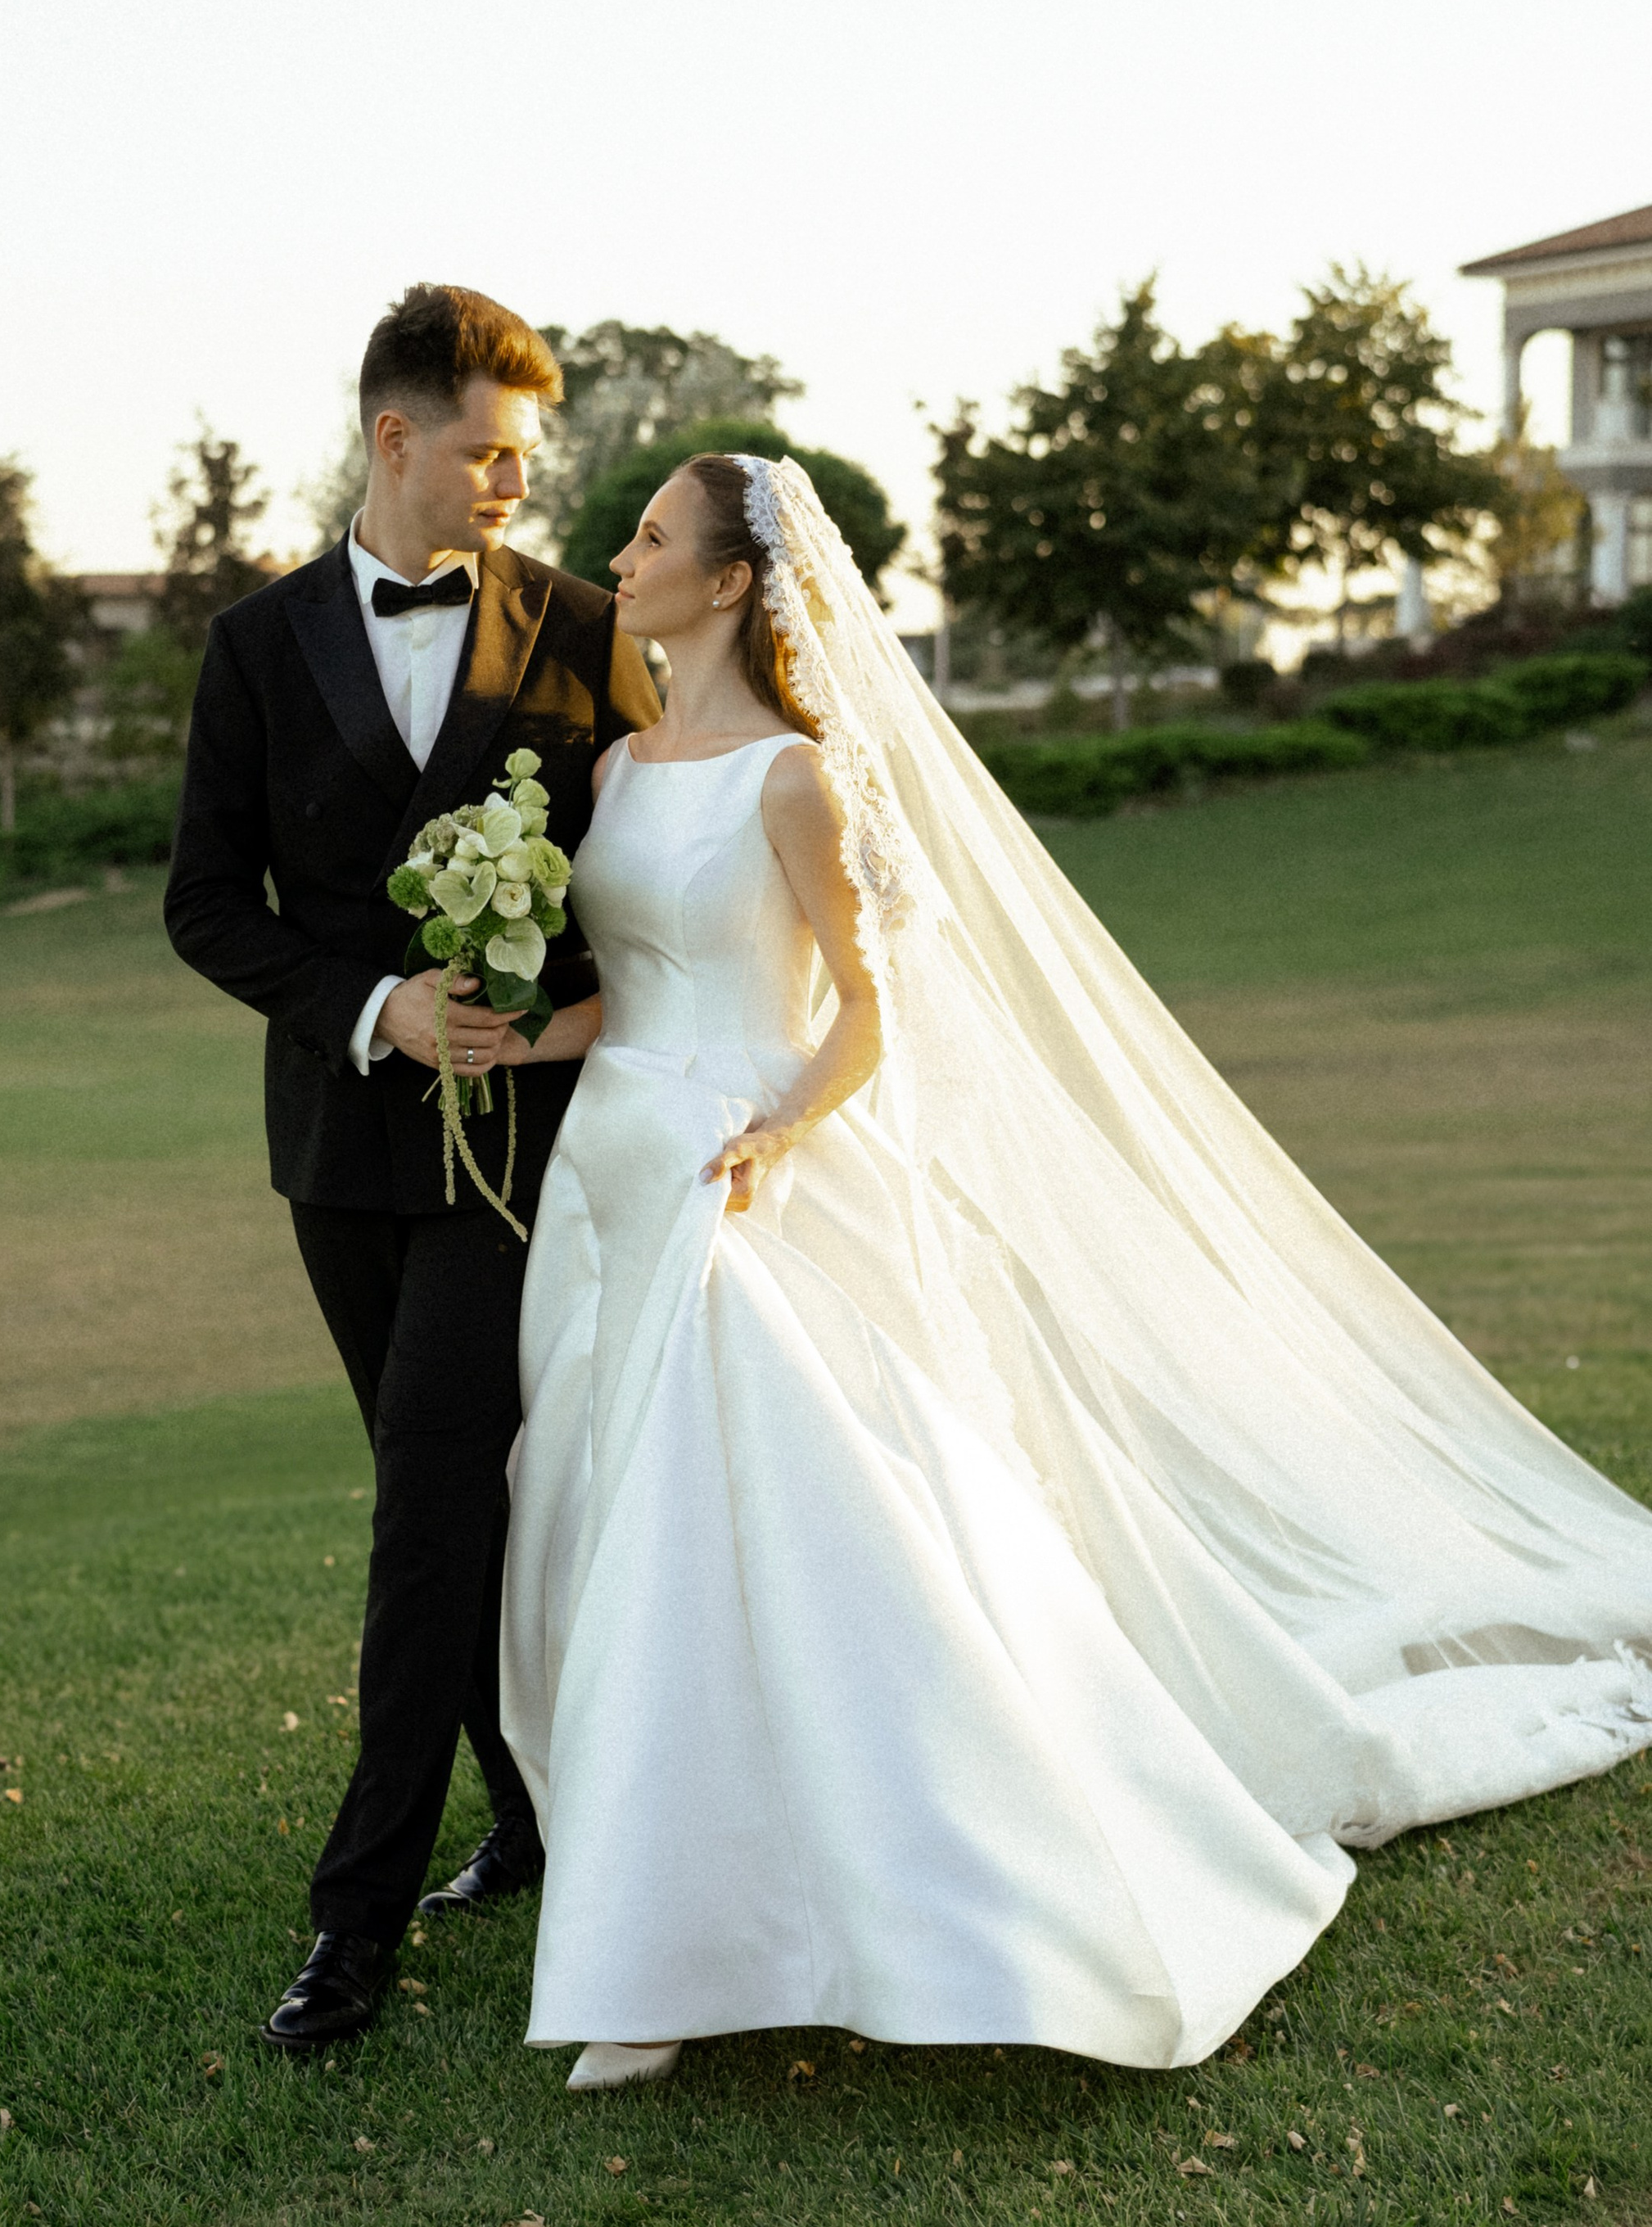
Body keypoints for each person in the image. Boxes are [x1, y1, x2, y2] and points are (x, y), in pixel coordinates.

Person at [499, 450, 1652, 2092]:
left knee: (762, 1520)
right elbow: (623, 990)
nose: (620, 554)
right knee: (616, 1510)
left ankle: (681, 1949)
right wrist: (504, 1030)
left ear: (733, 581)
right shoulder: (615, 773)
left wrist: (767, 1136)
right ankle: (679, 1876)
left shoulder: (795, 781)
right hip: (607, 1171)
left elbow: (867, 1015)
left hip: (736, 1178)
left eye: (651, 536)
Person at [165, 283, 657, 2053]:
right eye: (488, 448)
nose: (514, 480)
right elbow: (204, 905)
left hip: (516, 1154)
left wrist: (555, 1014)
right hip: (335, 1147)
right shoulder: (254, 644)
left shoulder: (584, 627)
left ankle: (353, 1916)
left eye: (524, 452)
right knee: (441, 1487)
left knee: (423, 1499)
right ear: (395, 437)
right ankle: (532, 1817)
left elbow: (647, 868)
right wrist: (374, 1001)